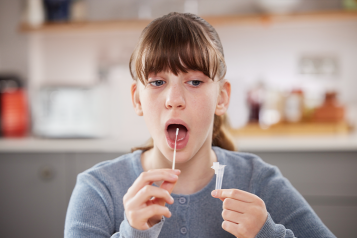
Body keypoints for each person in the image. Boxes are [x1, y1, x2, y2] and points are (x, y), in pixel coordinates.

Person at [64, 12, 335, 238]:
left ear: (222, 97)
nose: (174, 100)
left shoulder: (259, 181)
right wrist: (132, 233)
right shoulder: (98, 190)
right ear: (137, 99)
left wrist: (267, 233)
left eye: (194, 82)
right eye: (158, 83)